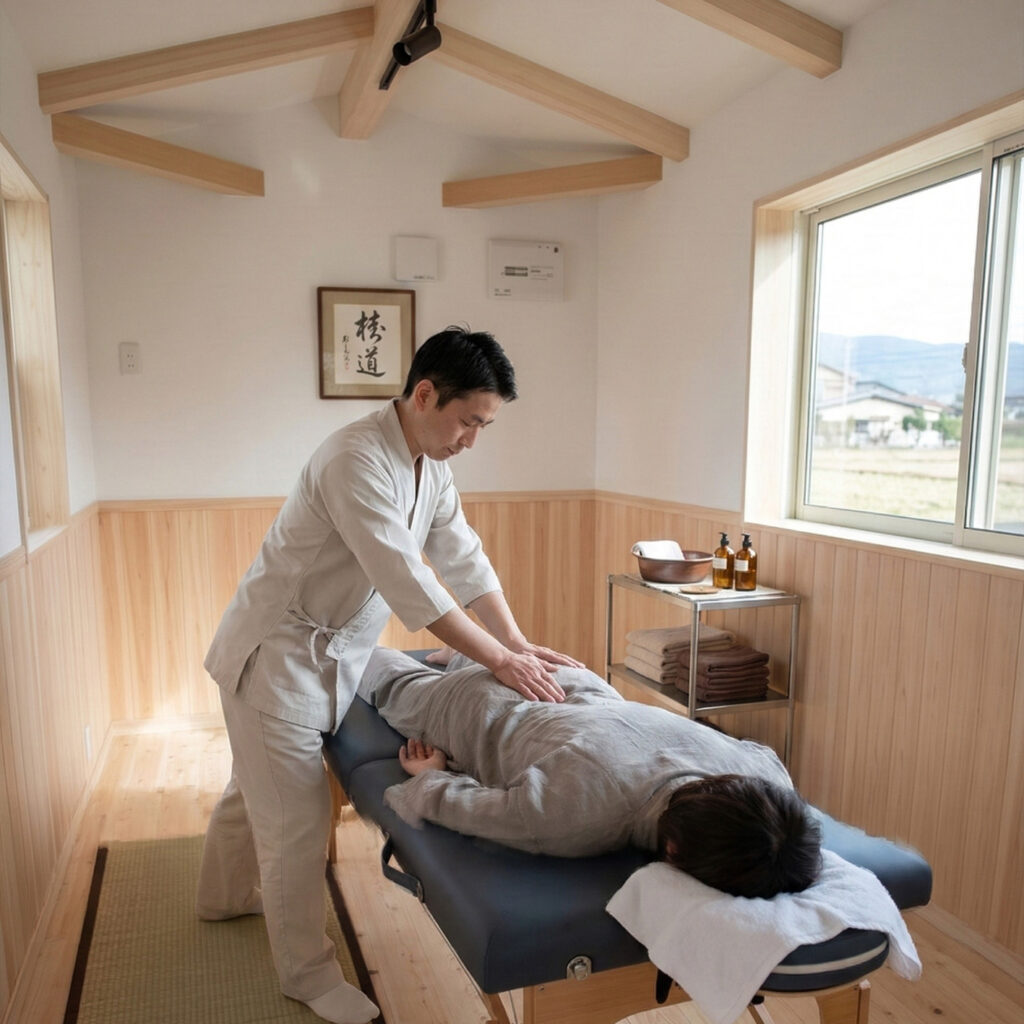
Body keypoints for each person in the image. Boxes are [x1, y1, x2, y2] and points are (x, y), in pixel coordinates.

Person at [196, 327, 582, 1024]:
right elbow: (411, 584)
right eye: (469, 421)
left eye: (484, 426)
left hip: (331, 657)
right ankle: (307, 976)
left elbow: (463, 558)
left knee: (251, 786)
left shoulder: (430, 465)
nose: (472, 439)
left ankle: (220, 899)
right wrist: (500, 661)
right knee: (295, 820)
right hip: (276, 656)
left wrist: (518, 642)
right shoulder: (354, 458)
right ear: (425, 394)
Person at [361, 647, 822, 899]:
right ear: (675, 851)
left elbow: (772, 778)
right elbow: (458, 805)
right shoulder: (576, 816)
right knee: (384, 675)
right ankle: (427, 659)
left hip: (565, 680)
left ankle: (466, 655)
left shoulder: (767, 777)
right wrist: (432, 775)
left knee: (487, 664)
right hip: (479, 709)